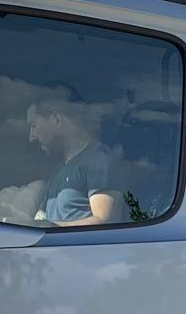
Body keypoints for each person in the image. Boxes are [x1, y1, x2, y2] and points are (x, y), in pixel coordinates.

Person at [26, 88, 120, 226]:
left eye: (34, 125)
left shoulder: (98, 159)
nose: (31, 137)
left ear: (56, 119)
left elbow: (106, 224)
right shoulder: (59, 171)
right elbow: (41, 221)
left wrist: (49, 228)